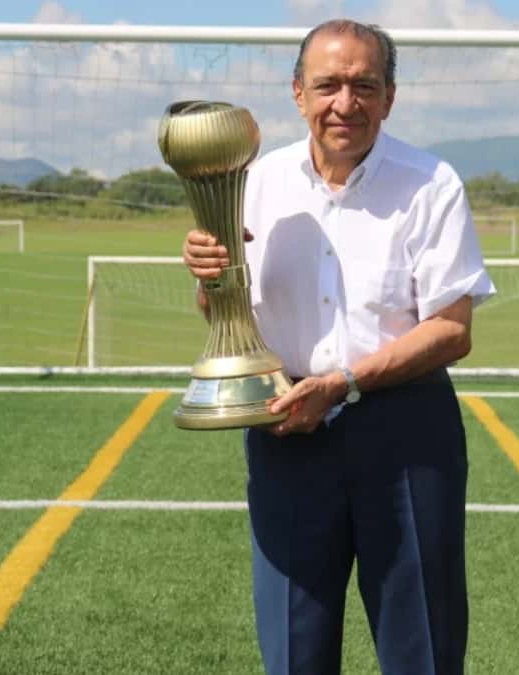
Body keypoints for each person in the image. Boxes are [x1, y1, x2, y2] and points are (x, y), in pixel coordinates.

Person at [182, 19, 494, 675]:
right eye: (328, 85)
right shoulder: (254, 181)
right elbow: (226, 315)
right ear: (298, 93)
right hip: (287, 430)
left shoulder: (430, 183)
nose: (345, 103)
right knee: (295, 651)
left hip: (407, 433)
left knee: (424, 652)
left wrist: (345, 381)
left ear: (390, 96)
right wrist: (212, 277)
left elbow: (453, 329)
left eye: (364, 85)